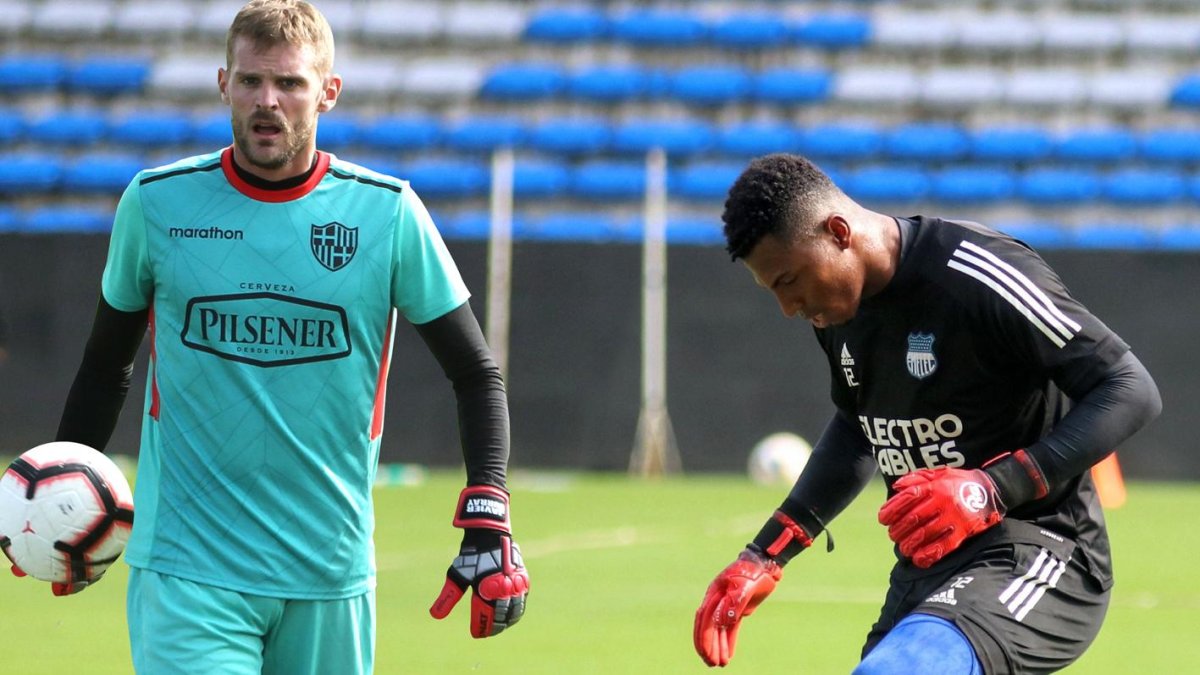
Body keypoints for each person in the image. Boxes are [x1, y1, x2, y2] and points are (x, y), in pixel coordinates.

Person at [6, 1, 529, 672]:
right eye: (250, 81)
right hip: (188, 569)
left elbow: (476, 373)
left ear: (328, 92)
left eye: (289, 83)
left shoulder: (388, 213)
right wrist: (60, 497)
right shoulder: (157, 203)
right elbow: (107, 366)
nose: (267, 101)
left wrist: (489, 508)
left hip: (330, 574)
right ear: (224, 83)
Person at [693, 154, 1161, 673]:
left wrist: (992, 488)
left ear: (839, 232)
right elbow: (858, 430)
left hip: (1039, 550)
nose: (789, 307)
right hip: (926, 570)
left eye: (788, 281)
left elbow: (1130, 387)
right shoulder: (836, 307)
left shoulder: (977, 271)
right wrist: (765, 553)